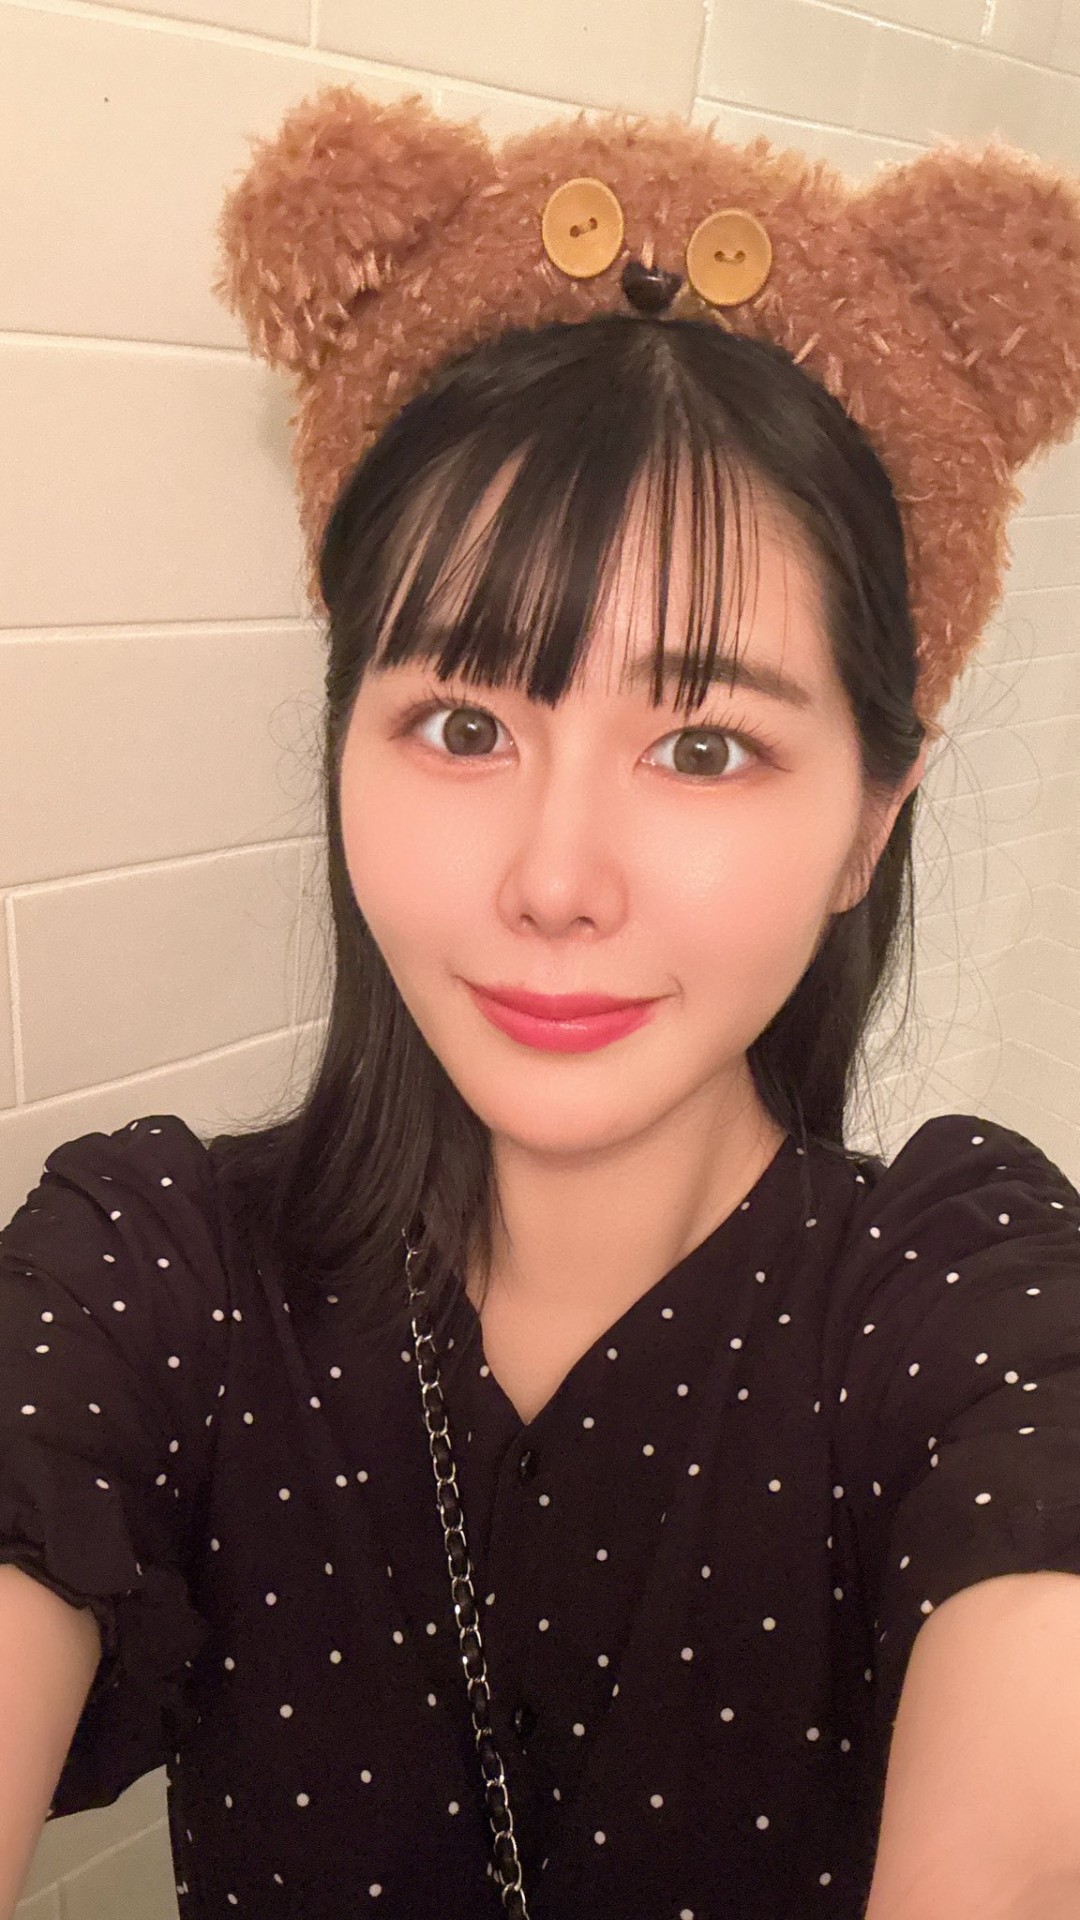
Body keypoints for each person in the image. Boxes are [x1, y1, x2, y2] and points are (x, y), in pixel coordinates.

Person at [2, 315, 1079, 1917]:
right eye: (464, 727)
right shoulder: (152, 1268)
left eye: (703, 747)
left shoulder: (962, 1294)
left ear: (871, 823)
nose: (555, 881)